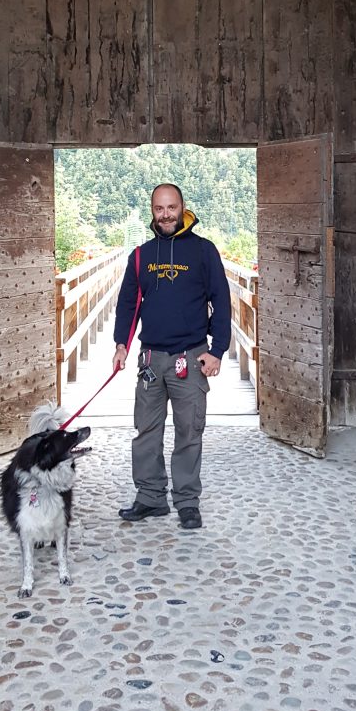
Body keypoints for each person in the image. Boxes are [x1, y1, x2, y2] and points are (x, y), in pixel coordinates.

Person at [112, 183, 231, 529]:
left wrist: (217, 350)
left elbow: (221, 302)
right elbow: (128, 305)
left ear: (182, 207)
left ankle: (187, 501)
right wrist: (122, 344)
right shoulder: (140, 256)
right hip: (151, 360)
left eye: (171, 207)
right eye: (159, 208)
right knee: (146, 431)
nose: (165, 214)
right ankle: (150, 498)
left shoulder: (204, 252)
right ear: (153, 210)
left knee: (189, 432)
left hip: (191, 358)